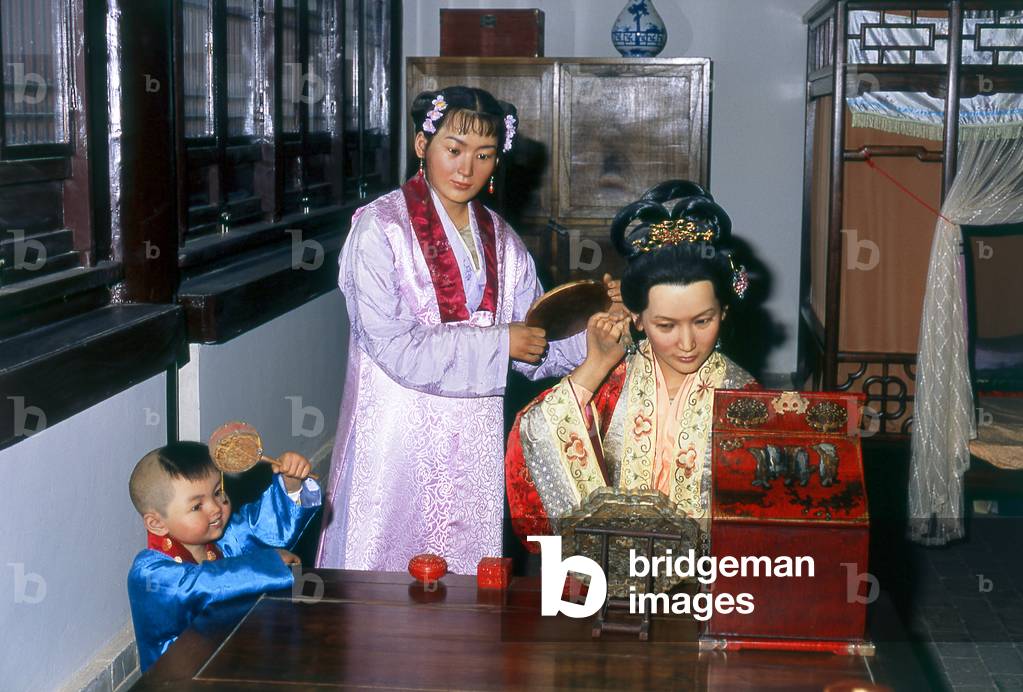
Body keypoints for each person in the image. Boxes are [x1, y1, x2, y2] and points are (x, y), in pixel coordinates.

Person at [315, 86, 612, 574]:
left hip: (472, 438)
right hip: (396, 435)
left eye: (484, 155)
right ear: (421, 146)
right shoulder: (379, 229)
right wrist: (500, 341)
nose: (466, 168)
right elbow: (393, 346)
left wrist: (594, 330)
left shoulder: (501, 239)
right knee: (385, 573)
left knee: (467, 573)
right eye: (453, 149)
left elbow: (536, 343)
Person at [505, 181, 759, 545]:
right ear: (637, 318)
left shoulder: (744, 397)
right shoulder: (615, 381)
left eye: (703, 321)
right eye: (666, 325)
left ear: (724, 312)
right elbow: (531, 435)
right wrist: (595, 365)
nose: (687, 343)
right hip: (613, 582)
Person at [127, 442, 320, 671]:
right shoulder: (149, 574)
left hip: (230, 663)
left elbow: (261, 527)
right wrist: (268, 563)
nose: (216, 508)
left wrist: (292, 483)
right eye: (197, 506)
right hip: (180, 680)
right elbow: (201, 584)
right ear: (156, 523)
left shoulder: (223, 540)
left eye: (218, 492)